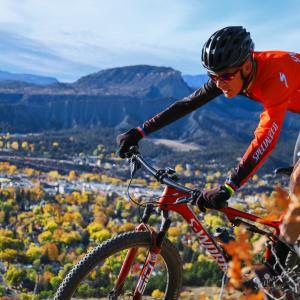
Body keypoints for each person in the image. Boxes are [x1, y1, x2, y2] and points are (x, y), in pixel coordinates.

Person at [117, 26, 300, 280]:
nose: (218, 83)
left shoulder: (273, 77)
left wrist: (228, 188)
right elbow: (188, 103)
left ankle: (276, 272)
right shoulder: (229, 72)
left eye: (224, 77)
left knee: (299, 187)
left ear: (247, 66)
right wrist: (140, 131)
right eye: (212, 76)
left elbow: (265, 140)